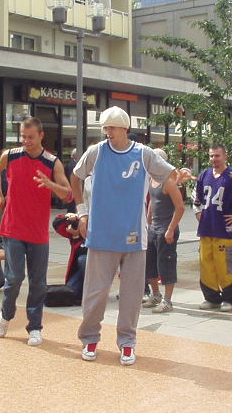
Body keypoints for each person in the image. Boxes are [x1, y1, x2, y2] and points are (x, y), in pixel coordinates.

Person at [70, 106, 176, 366]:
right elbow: (75, 178)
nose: (108, 133)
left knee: (131, 295)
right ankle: (90, 338)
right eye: (105, 128)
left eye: (113, 128)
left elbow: (168, 174)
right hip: (101, 235)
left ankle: (127, 342)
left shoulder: (144, 154)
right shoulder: (95, 152)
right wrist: (82, 212)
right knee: (96, 293)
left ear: (125, 128)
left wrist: (178, 177)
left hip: (134, 237)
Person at [0, 116, 72, 347]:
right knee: (15, 277)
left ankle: (34, 327)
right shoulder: (11, 155)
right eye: (23, 137)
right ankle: (6, 314)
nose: (26, 141)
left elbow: (67, 193)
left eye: (30, 137)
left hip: (37, 232)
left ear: (41, 136)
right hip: (13, 227)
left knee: (38, 283)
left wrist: (50, 185)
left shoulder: (52, 162)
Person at [193, 145, 232, 313]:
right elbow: (195, 199)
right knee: (207, 265)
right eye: (211, 156)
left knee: (228, 266)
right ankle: (211, 298)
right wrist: (197, 212)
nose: (214, 159)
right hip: (207, 229)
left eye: (217, 156)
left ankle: (230, 299)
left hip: (227, 231)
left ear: (225, 156)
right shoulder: (204, 175)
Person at [141, 148, 185, 313]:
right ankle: (156, 295)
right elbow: (153, 200)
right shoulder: (153, 179)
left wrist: (170, 229)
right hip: (154, 229)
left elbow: (180, 208)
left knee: (166, 264)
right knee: (150, 264)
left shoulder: (168, 182)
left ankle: (167, 300)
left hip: (167, 229)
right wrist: (149, 220)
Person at [53, 212, 87, 304]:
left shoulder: (95, 231)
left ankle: (92, 291)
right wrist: (67, 216)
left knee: (83, 259)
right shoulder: (74, 234)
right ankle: (83, 291)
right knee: (70, 293)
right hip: (80, 272)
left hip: (97, 271)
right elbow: (56, 224)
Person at [65, 148, 78, 213]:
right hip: (72, 186)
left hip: (71, 186)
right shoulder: (73, 164)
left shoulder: (72, 163)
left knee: (72, 204)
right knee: (72, 204)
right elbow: (72, 176)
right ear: (74, 155)